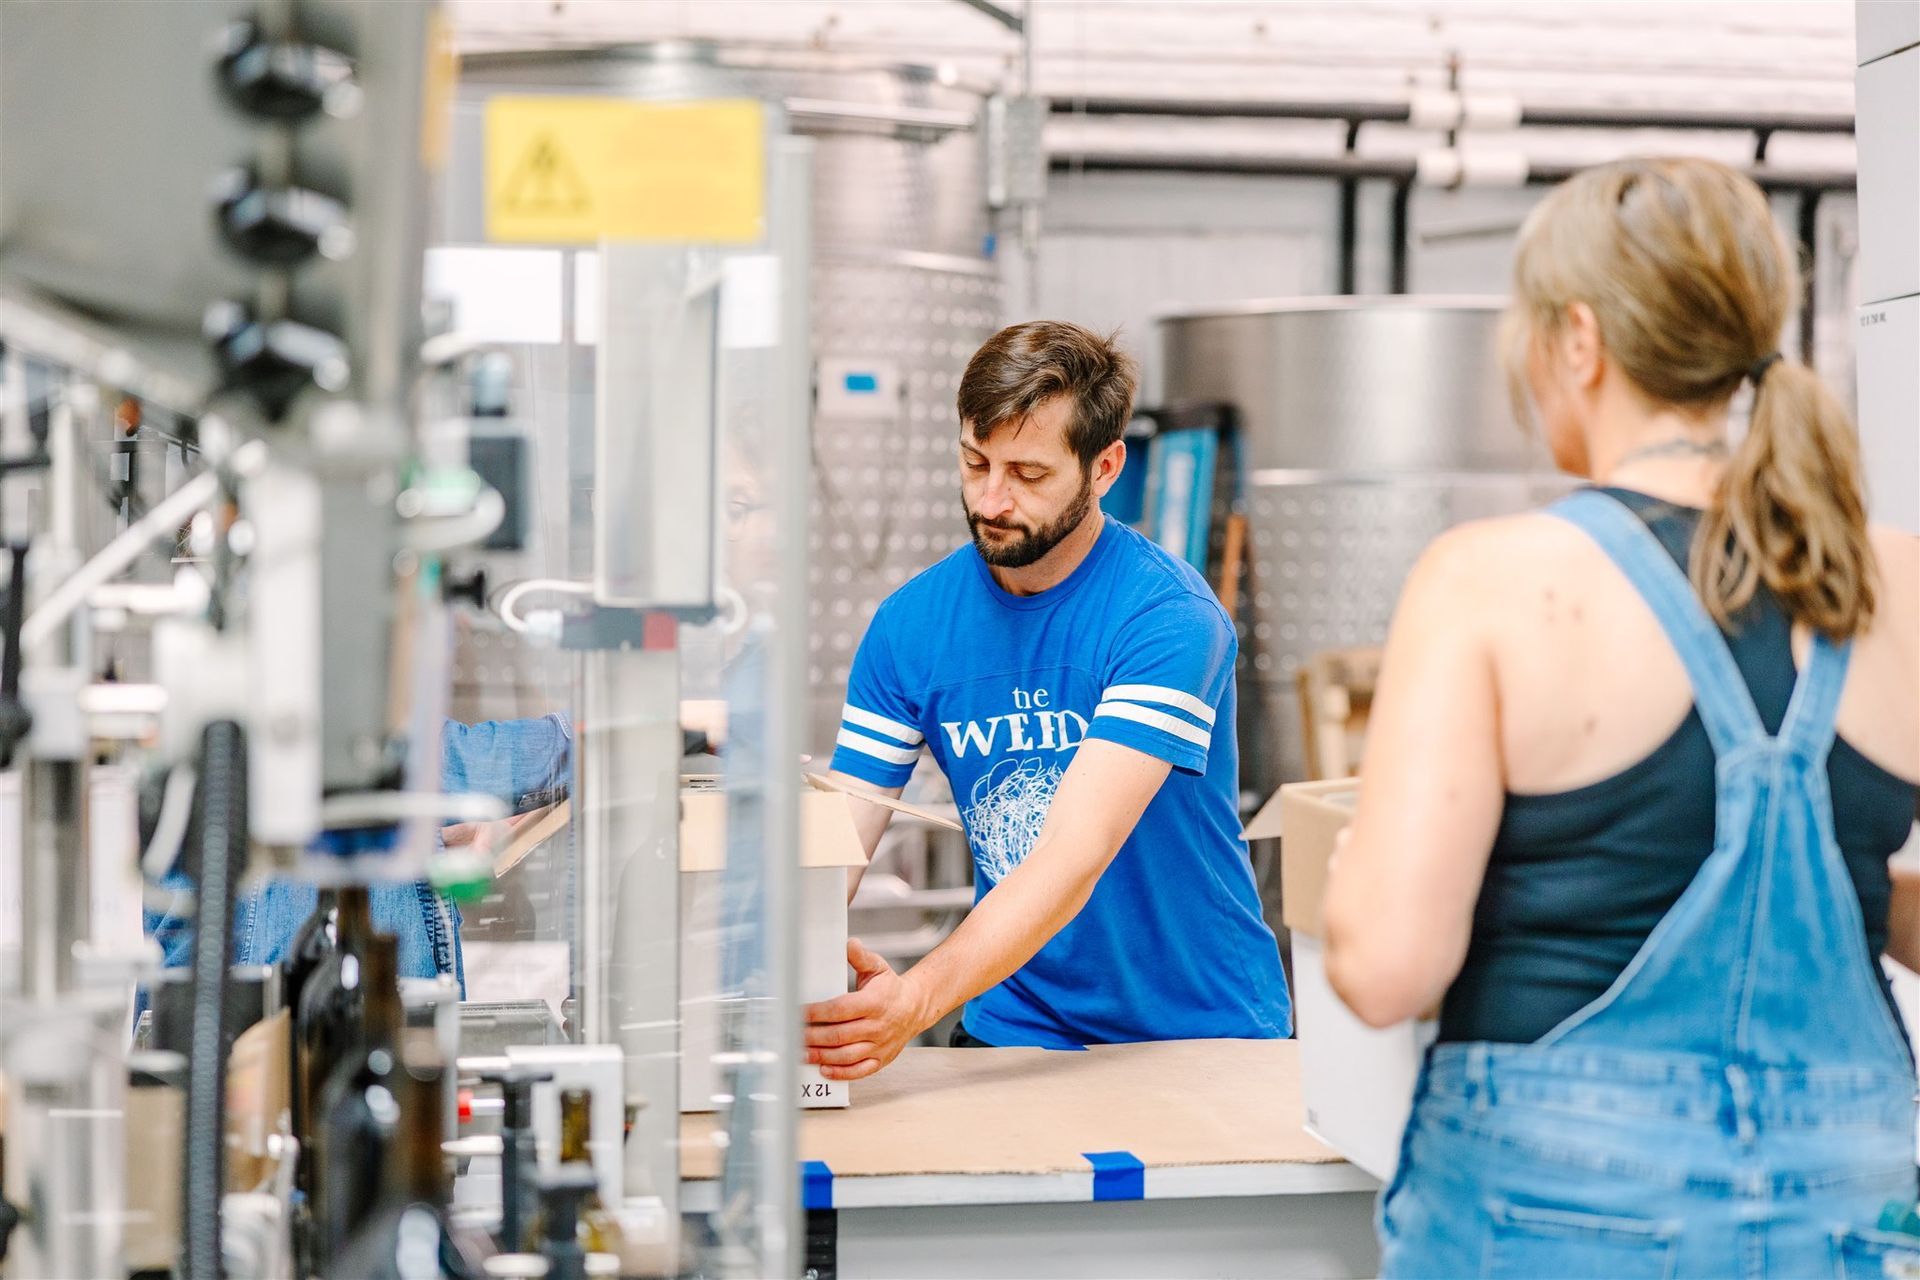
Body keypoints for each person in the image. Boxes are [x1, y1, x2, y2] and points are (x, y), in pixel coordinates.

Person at [1322, 156, 1920, 1277]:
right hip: (1851, 1206)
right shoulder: (1897, 583)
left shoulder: (1489, 579)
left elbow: (1387, 965)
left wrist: (1367, 872)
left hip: (1554, 1206)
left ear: (1581, 342)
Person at [803, 320, 1291, 1078]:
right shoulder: (911, 625)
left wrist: (917, 998)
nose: (992, 499)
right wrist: (772, 976)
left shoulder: (1166, 619)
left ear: (1104, 468)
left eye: (1028, 475)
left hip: (1198, 1033)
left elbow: (1072, 854)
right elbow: (839, 839)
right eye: (975, 463)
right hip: (1017, 1026)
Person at [145, 713, 572, 988]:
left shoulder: (188, 754)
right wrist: (590, 722)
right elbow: (467, 761)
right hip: (310, 1050)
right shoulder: (338, 722)